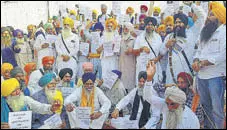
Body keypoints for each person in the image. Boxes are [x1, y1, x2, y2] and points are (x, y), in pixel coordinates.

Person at [192, 2, 226, 129]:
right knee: (205, 107)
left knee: (217, 109)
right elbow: (198, 51)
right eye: (209, 14)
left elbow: (223, 55)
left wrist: (204, 62)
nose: (208, 17)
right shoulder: (205, 31)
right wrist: (196, 60)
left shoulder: (224, 32)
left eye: (212, 15)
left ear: (220, 16)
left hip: (216, 76)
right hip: (202, 76)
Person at [144, 61, 200, 129]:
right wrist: (149, 79)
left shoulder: (192, 119)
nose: (169, 107)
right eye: (167, 104)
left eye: (173, 104)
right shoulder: (167, 103)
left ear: (181, 103)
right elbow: (148, 97)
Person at [159, 3, 206, 85]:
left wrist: (192, 4)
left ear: (185, 24)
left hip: (186, 75)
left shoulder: (192, 33)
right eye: (176, 22)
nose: (177, 24)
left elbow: (202, 17)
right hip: (171, 76)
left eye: (180, 22)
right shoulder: (170, 36)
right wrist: (167, 45)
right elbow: (162, 52)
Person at [133, 17, 163, 85]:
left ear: (154, 27)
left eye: (152, 25)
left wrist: (157, 59)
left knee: (153, 86)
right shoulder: (140, 37)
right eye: (148, 25)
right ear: (145, 26)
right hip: (142, 66)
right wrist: (142, 48)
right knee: (141, 86)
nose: (150, 26)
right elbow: (134, 52)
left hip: (153, 66)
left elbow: (162, 53)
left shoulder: (158, 37)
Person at [55, 17, 79, 82]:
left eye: (68, 24)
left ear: (71, 25)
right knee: (61, 78)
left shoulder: (75, 36)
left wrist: (69, 56)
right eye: (65, 24)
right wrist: (62, 55)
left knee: (72, 78)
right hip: (61, 59)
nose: (66, 26)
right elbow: (57, 47)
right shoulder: (59, 36)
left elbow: (76, 48)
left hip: (71, 59)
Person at [119, 22, 136, 92]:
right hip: (121, 64)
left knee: (130, 86)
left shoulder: (134, 40)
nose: (125, 30)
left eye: (127, 28)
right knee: (121, 86)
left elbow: (138, 52)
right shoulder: (119, 39)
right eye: (124, 28)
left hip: (130, 65)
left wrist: (132, 51)